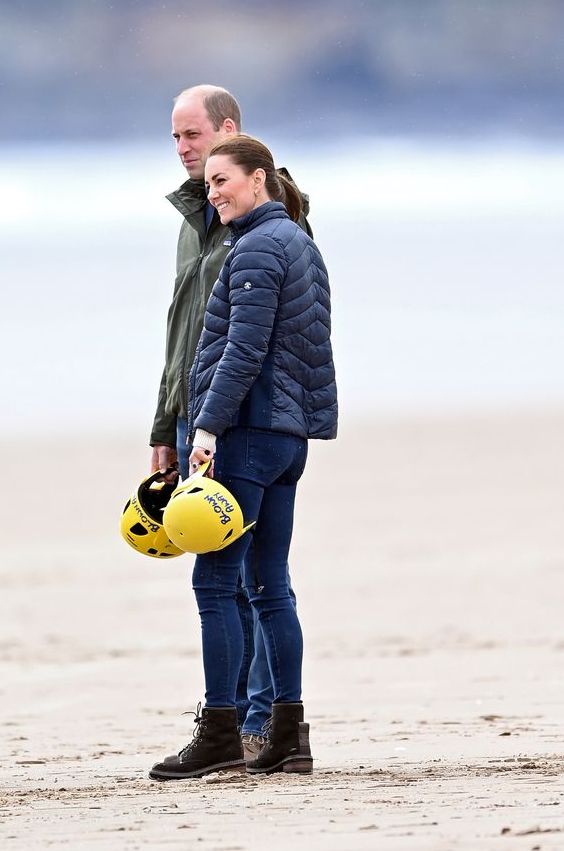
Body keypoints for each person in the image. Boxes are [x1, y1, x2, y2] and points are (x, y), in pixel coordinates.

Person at [149, 134, 337, 781]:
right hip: (286, 439)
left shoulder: (257, 249)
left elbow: (242, 351)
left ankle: (222, 730)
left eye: (223, 181)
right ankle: (289, 735)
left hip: (249, 437)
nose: (215, 194)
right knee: (270, 587)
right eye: (208, 186)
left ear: (259, 179)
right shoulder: (299, 243)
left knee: (216, 584)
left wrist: (206, 429)